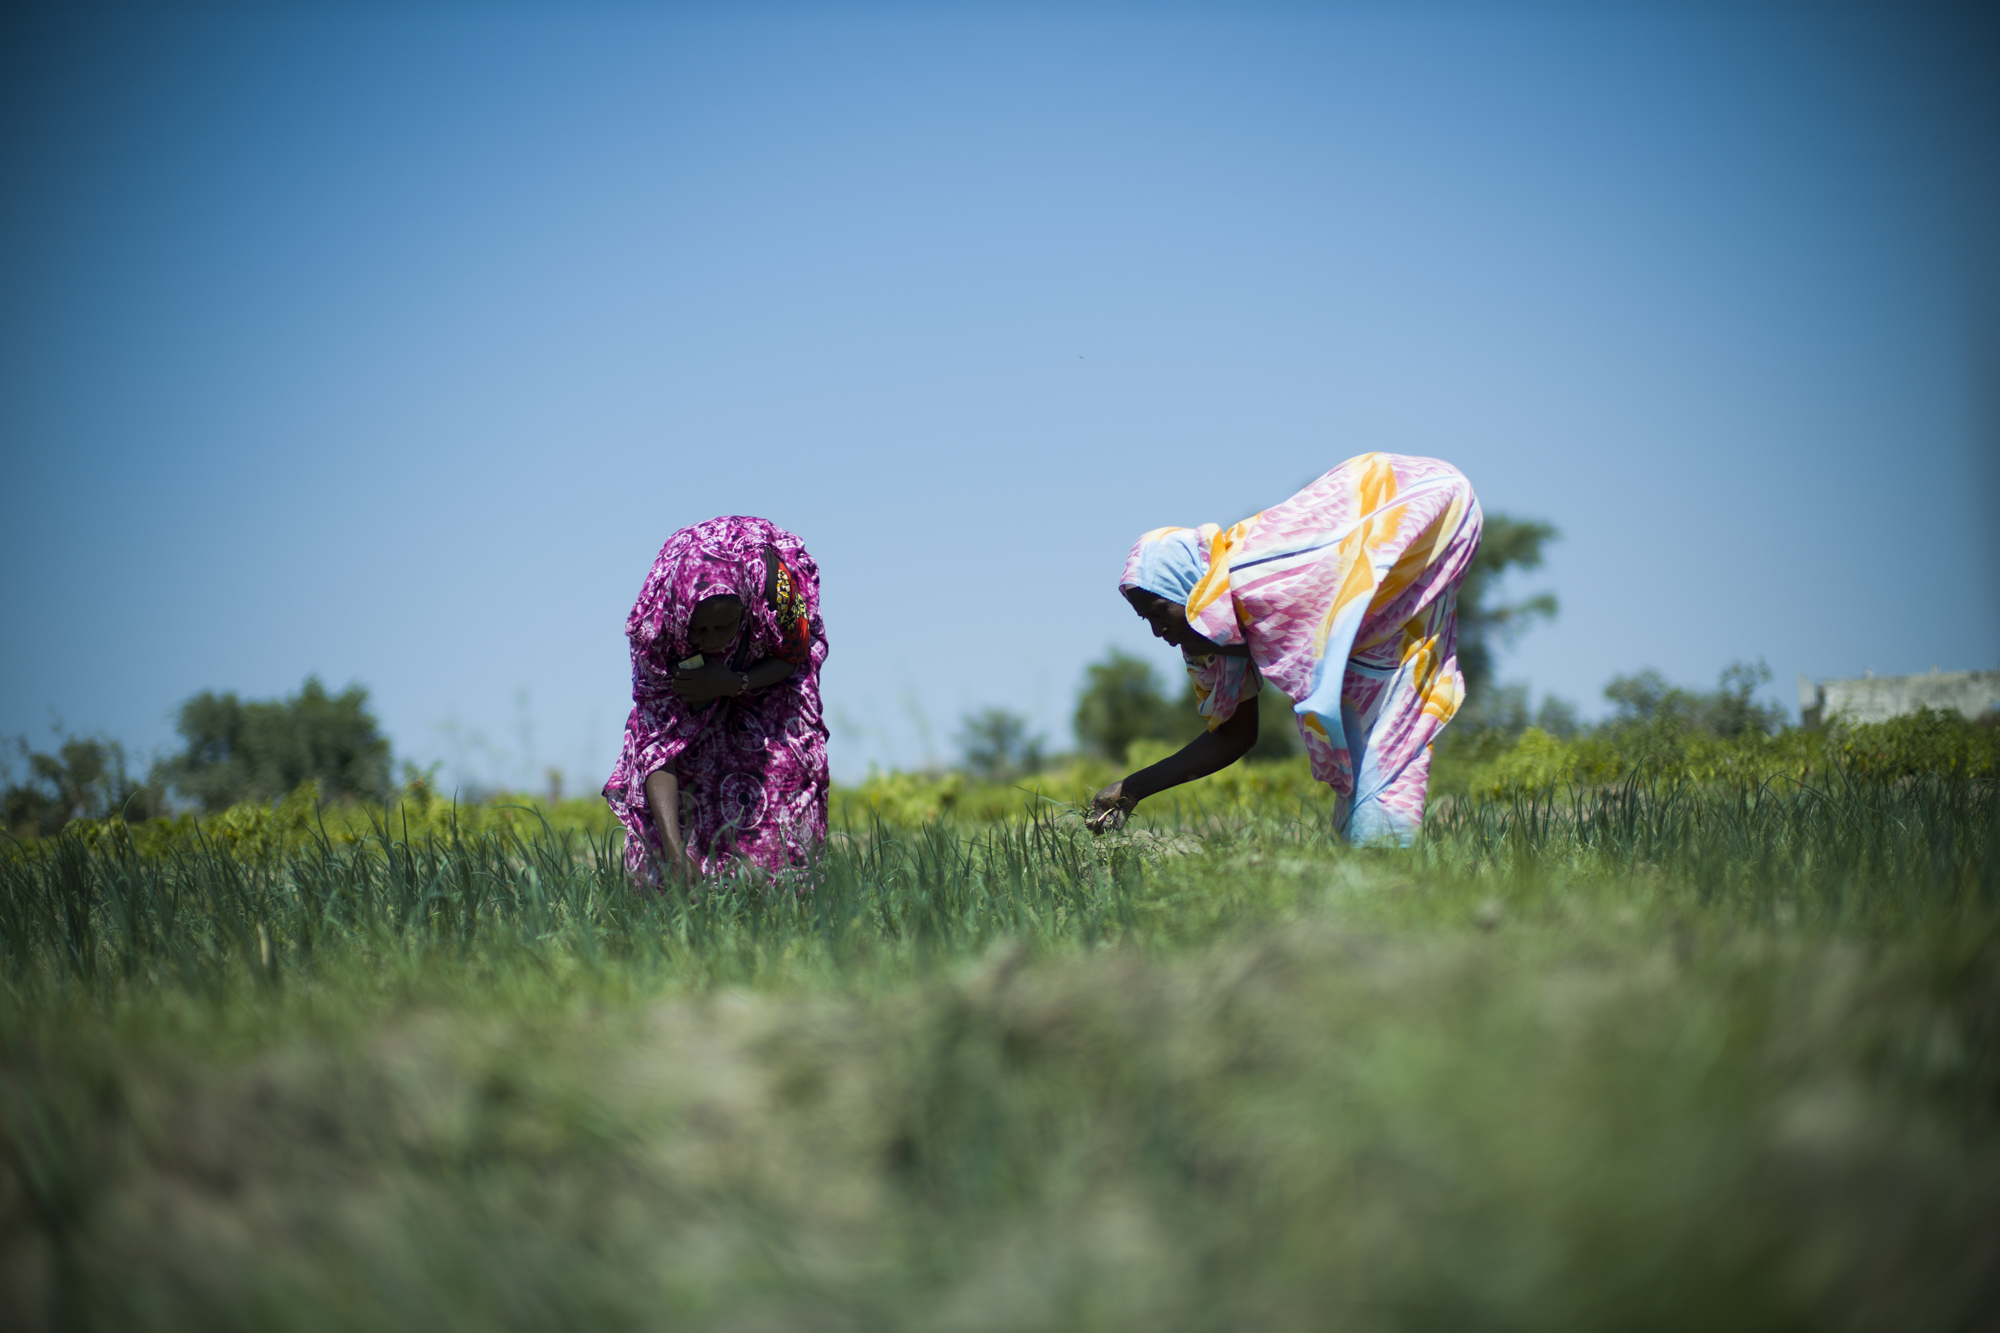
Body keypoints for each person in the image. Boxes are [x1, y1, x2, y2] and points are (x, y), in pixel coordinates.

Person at [1088, 452, 1482, 845]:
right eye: (1147, 620)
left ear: (1186, 588)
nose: (1159, 631)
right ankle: (1379, 873)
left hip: (1422, 502)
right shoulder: (1206, 644)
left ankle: (1383, 862)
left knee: (1379, 716)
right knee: (1369, 736)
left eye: (1160, 612)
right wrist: (1132, 788)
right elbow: (1233, 736)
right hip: (1385, 611)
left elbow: (1324, 608)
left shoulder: (1253, 579)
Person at [603, 516, 829, 883]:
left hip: (770, 658)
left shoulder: (776, 585)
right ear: (681, 620)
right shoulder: (656, 634)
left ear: (745, 609)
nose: (712, 640)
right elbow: (655, 748)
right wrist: (675, 854)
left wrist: (734, 682)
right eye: (701, 629)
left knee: (783, 763)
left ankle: (780, 895)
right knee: (696, 771)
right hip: (694, 669)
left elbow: (793, 656)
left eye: (724, 627)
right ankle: (690, 886)